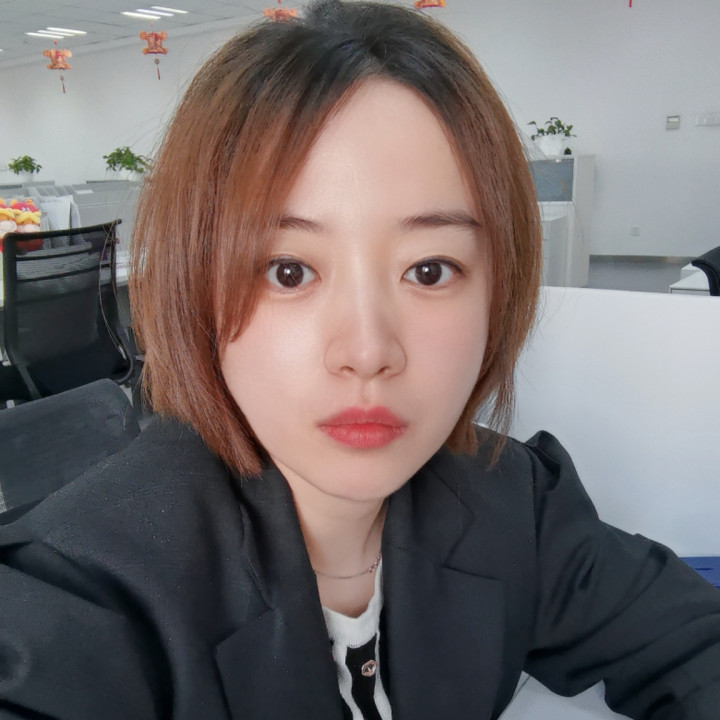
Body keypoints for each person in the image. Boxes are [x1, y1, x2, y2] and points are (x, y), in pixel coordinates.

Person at [1, 1, 718, 718]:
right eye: (288, 271)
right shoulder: (79, 596)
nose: (368, 352)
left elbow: (693, 646)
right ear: (196, 289)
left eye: (429, 270)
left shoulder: (511, 500)